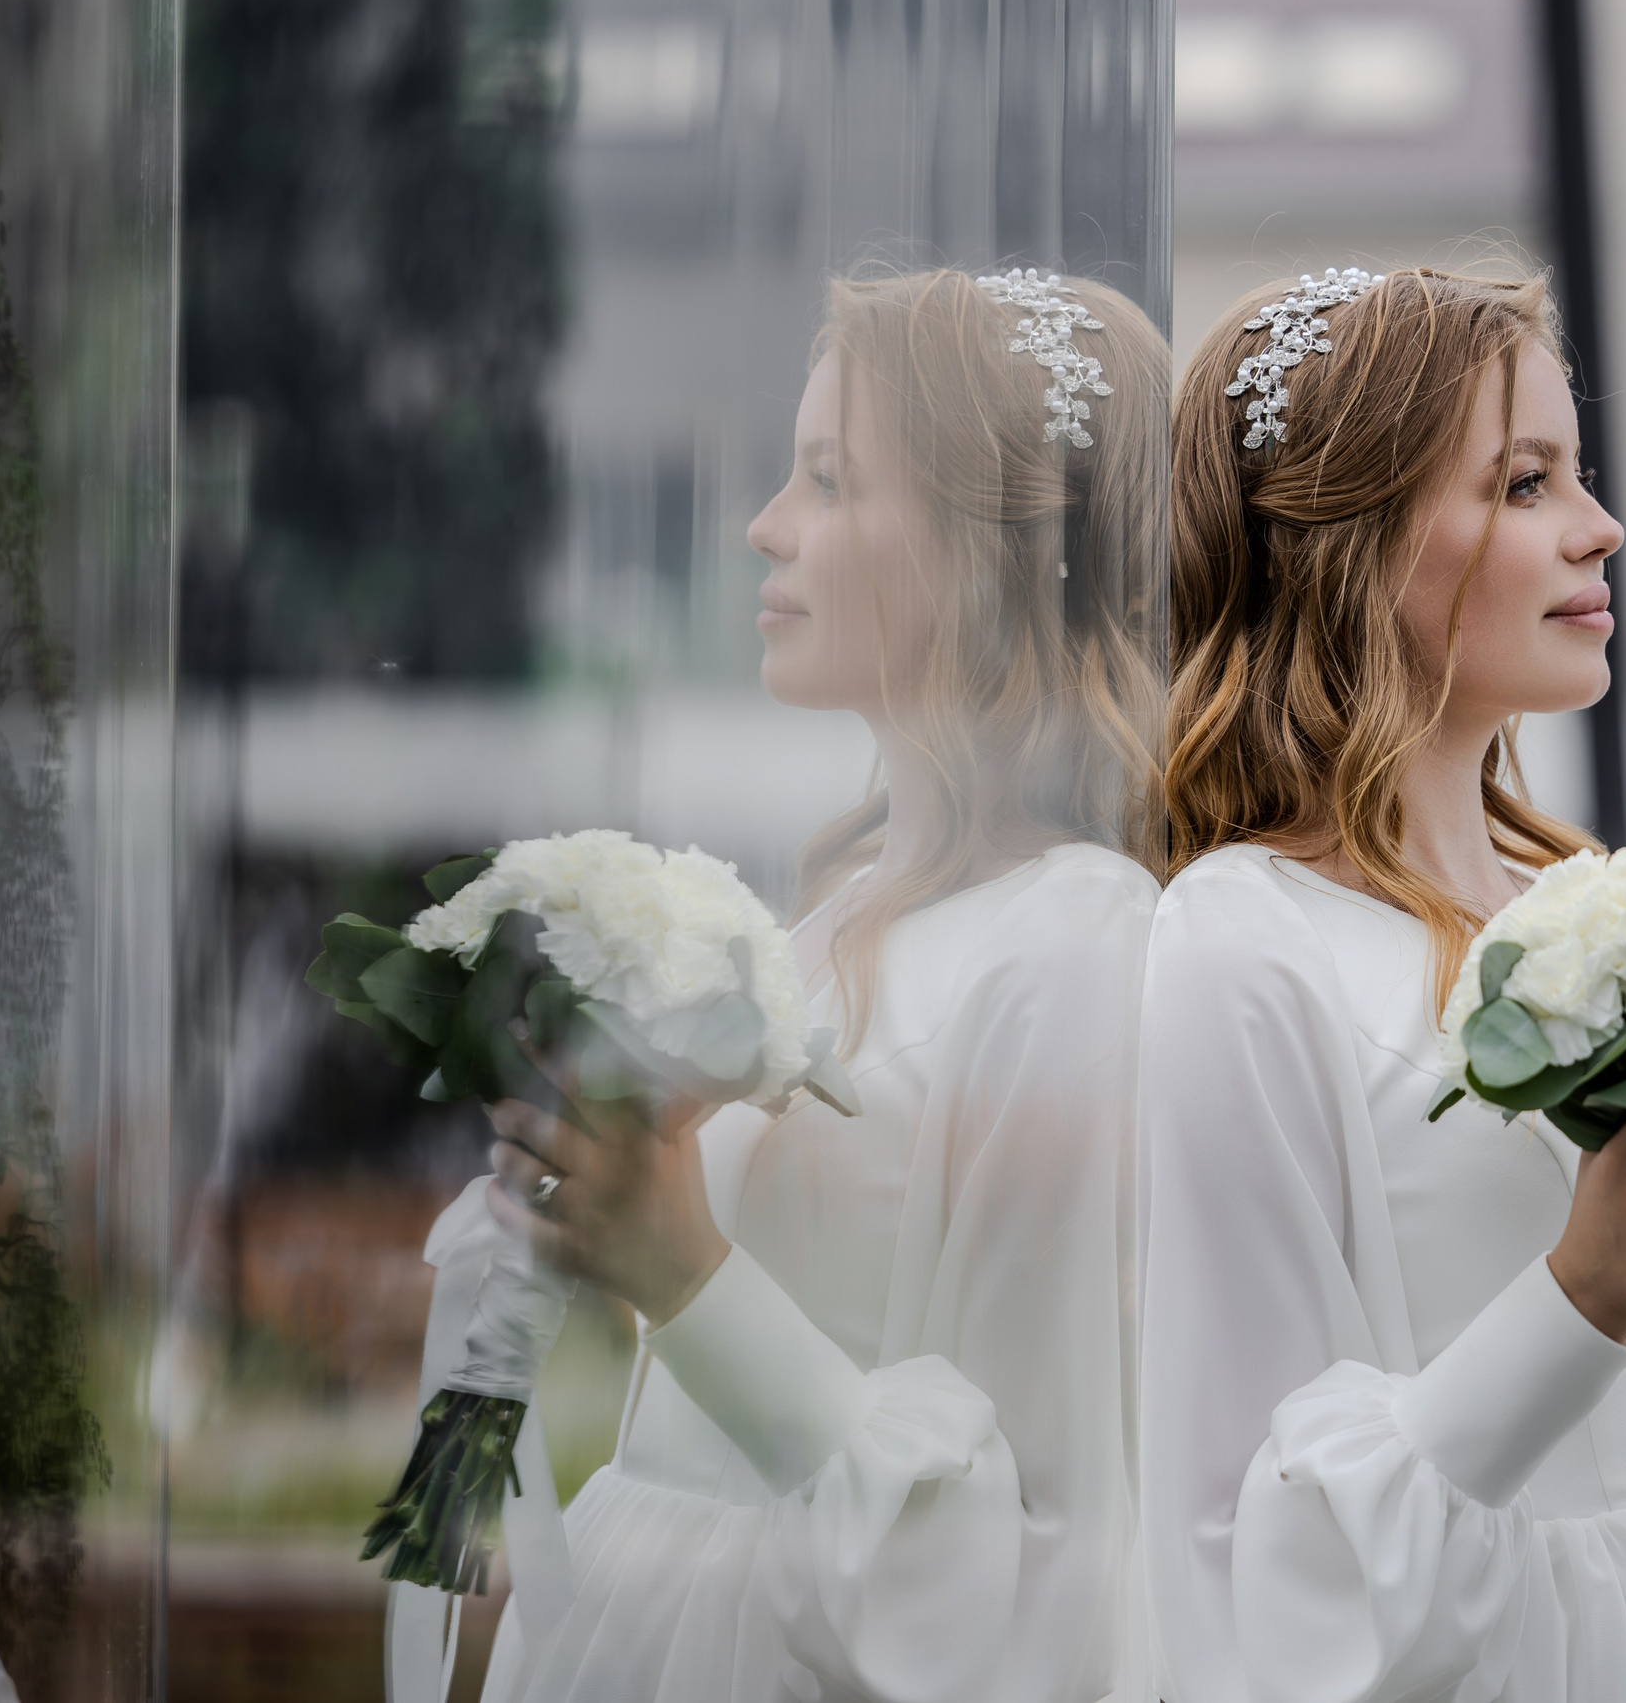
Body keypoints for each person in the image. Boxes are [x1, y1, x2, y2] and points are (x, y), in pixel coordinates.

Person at [1137, 267, 1626, 1703]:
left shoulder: (1592, 911)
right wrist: (1585, 1294)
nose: (1600, 527)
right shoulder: (1242, 947)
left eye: (1580, 474)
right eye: (1526, 483)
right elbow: (1242, 1536)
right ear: (1352, 542)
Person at [477, 267, 1168, 1703]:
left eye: (829, 481)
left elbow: (1044, 1557)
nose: (765, 529)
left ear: (996, 544)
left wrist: (677, 1269)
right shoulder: (834, 916)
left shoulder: (1075, 949)